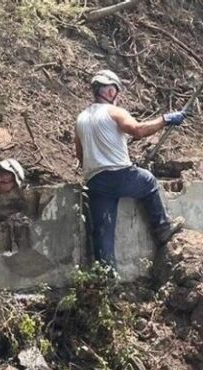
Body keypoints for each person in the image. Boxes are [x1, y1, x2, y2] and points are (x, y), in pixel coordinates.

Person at [75, 69, 186, 270]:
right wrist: (166, 119)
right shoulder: (114, 112)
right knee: (149, 181)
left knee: (103, 232)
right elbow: (138, 130)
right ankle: (162, 227)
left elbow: (80, 154)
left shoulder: (81, 119)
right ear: (109, 91)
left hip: (95, 182)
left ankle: (104, 279)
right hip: (119, 175)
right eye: (115, 91)